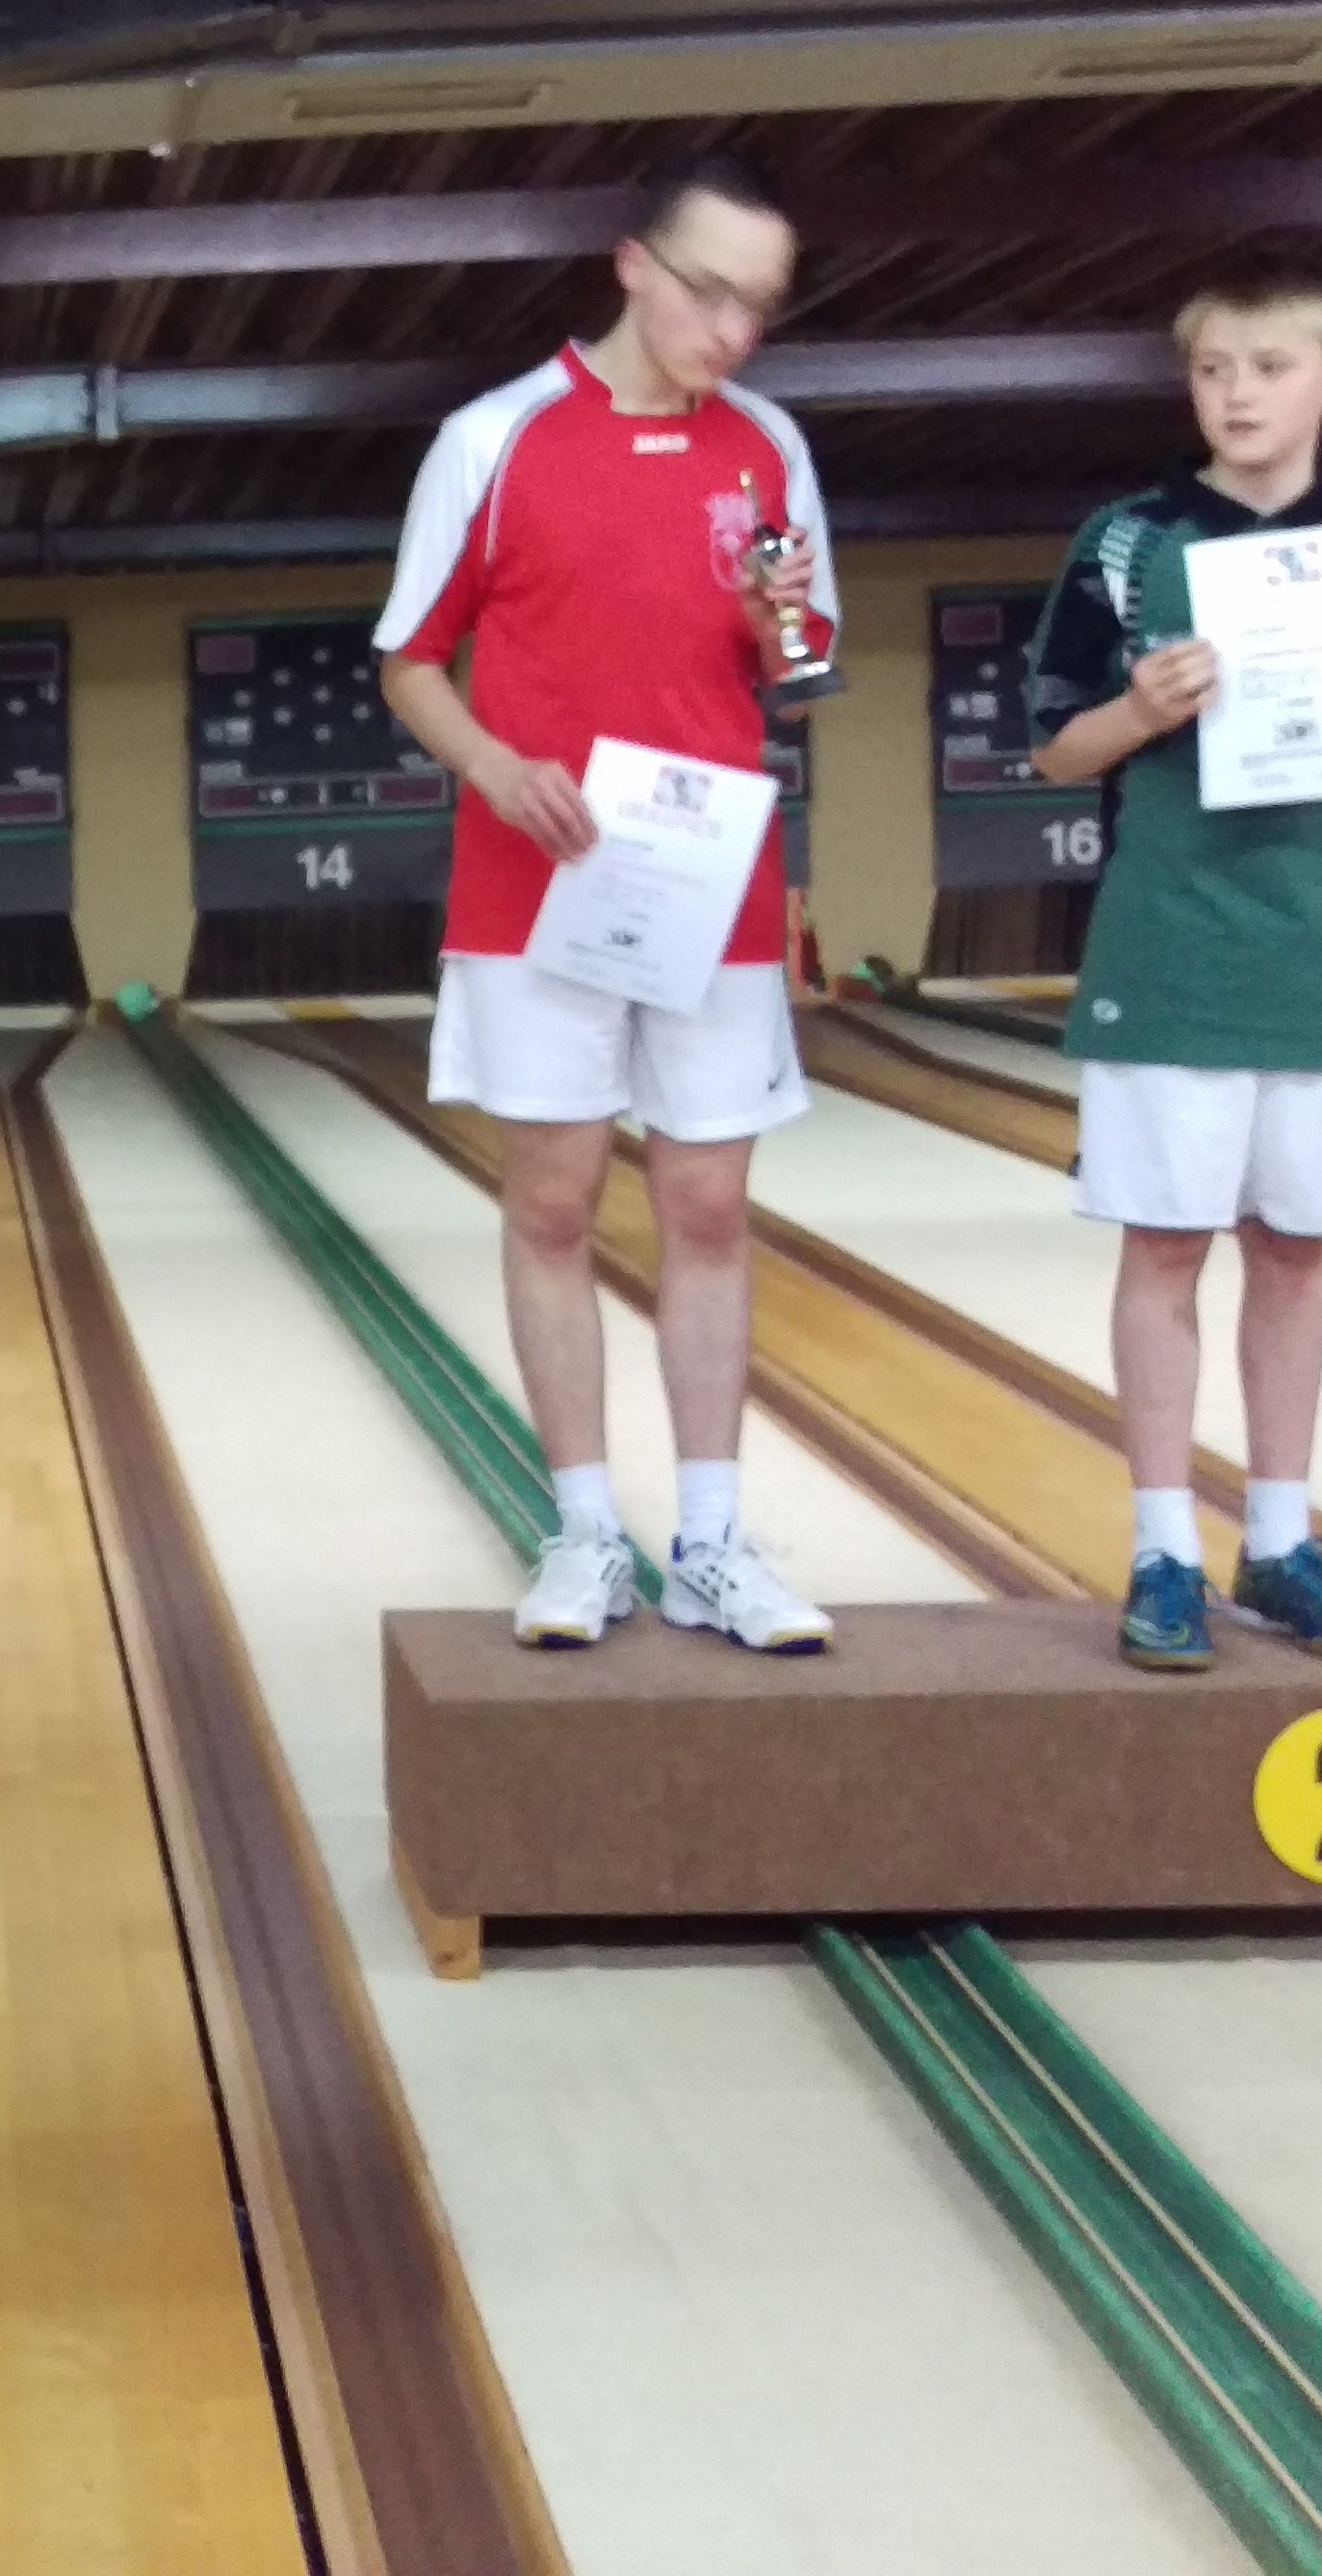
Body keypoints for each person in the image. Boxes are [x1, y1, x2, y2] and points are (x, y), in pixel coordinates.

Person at [375, 147, 838, 1653]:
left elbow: (805, 670)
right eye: (710, 293)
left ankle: (711, 1541)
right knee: (554, 1200)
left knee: (708, 1203)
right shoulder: (494, 437)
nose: (733, 332)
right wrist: (497, 769)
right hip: (536, 882)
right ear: (632, 263)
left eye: (760, 307)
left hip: (713, 883)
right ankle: (583, 1534)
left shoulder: (768, 446)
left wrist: (782, 626)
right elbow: (409, 662)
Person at [1021, 259, 1322, 1673]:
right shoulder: (1126, 540)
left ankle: (1279, 1543)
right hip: (1169, 945)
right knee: (1165, 1248)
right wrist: (1138, 711)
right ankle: (1164, 1552)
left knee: (1295, 1251)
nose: (1236, 394)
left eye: (1270, 367)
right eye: (1213, 369)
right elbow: (1054, 750)